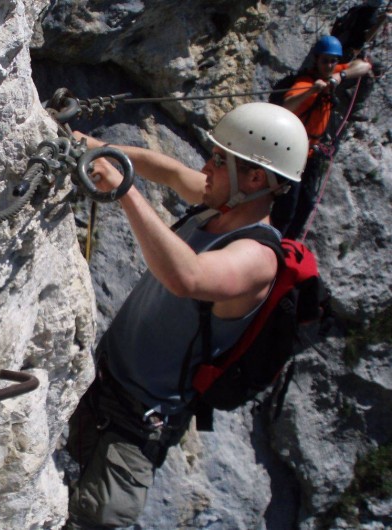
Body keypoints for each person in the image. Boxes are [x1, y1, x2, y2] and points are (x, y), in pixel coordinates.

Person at [64, 102, 309, 529]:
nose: (206, 166)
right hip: (99, 386)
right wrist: (95, 148)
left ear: (255, 178)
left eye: (219, 159)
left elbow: (189, 277)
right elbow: (167, 169)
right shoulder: (221, 205)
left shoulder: (257, 257)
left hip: (132, 428)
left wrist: (124, 190)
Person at [271, 35, 372, 239]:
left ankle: (288, 245)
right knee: (287, 206)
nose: (329, 65)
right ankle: (272, 242)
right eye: (325, 60)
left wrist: (340, 77)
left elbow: (364, 66)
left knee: (307, 203)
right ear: (316, 60)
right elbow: (287, 105)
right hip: (293, 153)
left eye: (333, 61)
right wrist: (311, 91)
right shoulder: (304, 82)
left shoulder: (333, 74)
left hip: (311, 154)